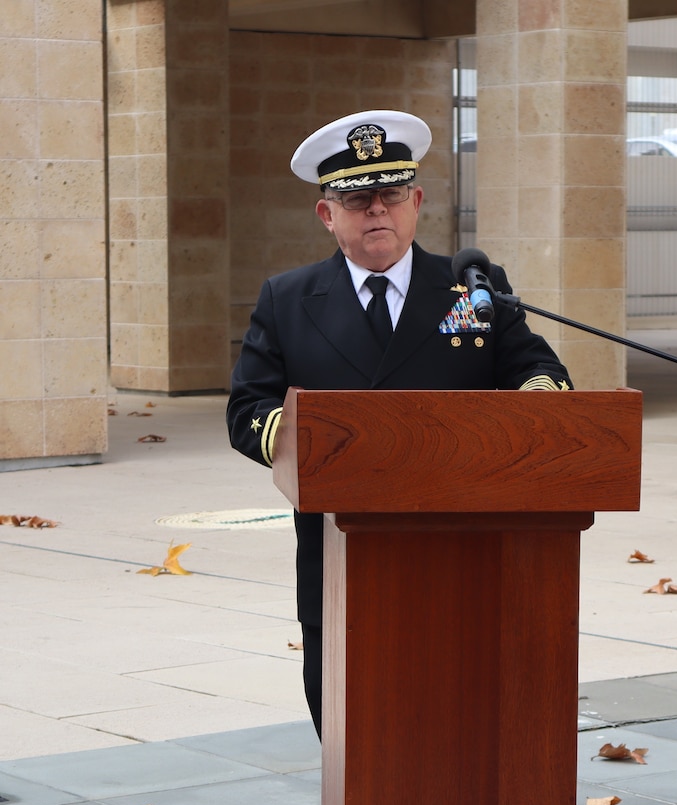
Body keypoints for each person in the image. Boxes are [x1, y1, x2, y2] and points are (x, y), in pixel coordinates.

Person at [227, 110, 572, 739]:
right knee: (353, 730)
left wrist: (530, 415)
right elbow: (247, 409)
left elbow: (537, 369)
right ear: (327, 215)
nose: (376, 211)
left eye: (390, 195)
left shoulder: (472, 286)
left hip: (466, 548)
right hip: (341, 550)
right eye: (357, 199)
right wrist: (314, 443)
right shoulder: (286, 298)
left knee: (462, 723)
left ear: (416, 202)